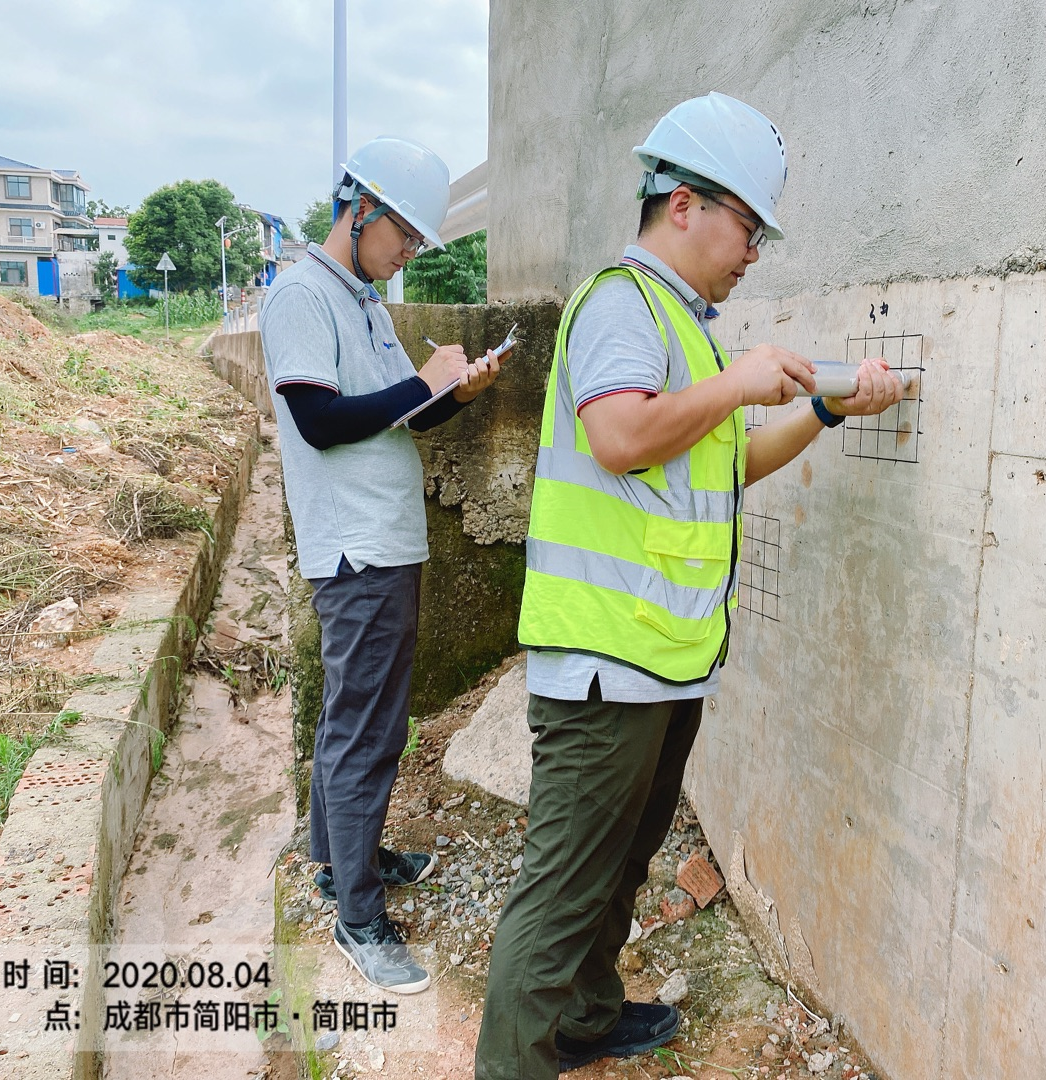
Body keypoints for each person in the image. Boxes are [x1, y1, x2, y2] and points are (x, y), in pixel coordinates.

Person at [474, 92, 903, 1077]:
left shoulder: (689, 331)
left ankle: (583, 1019)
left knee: (618, 870)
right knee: (561, 895)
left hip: (659, 661)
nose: (754, 249)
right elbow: (620, 437)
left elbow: (729, 462)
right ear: (681, 204)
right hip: (603, 660)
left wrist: (824, 411)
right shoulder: (625, 301)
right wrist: (742, 380)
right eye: (747, 225)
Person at [259, 136, 503, 994]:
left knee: (355, 720)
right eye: (403, 234)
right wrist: (424, 378)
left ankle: (342, 862)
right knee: (367, 732)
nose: (408, 253)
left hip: (385, 541)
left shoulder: (361, 301)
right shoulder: (300, 296)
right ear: (359, 211)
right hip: (355, 548)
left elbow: (406, 416)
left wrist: (452, 391)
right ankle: (359, 917)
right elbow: (321, 422)